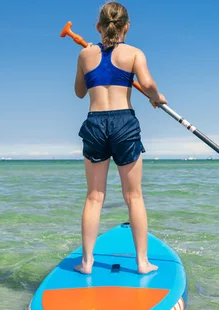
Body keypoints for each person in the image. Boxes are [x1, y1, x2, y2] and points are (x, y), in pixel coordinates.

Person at [73, 1, 167, 275]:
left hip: (95, 122)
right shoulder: (134, 53)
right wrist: (156, 97)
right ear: (126, 26)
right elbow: (147, 84)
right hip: (123, 122)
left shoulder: (85, 55)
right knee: (134, 196)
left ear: (98, 27)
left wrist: (90, 60)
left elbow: (79, 92)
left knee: (94, 197)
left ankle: (87, 263)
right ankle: (142, 263)